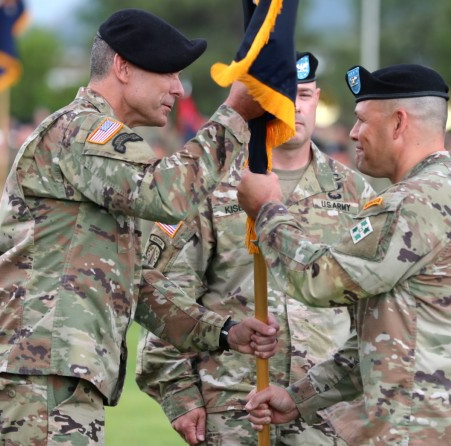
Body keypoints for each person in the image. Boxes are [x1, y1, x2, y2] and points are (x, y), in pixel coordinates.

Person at [0, 9, 280, 446]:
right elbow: (170, 195)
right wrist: (235, 114)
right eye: (168, 71)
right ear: (123, 67)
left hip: (33, 368)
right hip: (42, 371)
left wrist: (222, 331)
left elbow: (130, 283)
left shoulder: (98, 146)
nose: (177, 87)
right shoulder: (84, 129)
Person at [240, 63, 451, 445]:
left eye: (361, 121)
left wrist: (268, 211)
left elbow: (320, 279)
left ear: (398, 123)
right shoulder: (437, 189)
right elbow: (389, 343)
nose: (354, 133)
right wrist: (299, 398)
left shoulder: (417, 201)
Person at [135, 51, 374, 446]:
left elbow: (371, 313)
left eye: (305, 95)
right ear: (259, 100)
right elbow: (165, 295)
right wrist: (179, 396)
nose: (294, 106)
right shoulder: (212, 185)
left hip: (330, 418)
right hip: (234, 413)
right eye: (282, 93)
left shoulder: (353, 193)